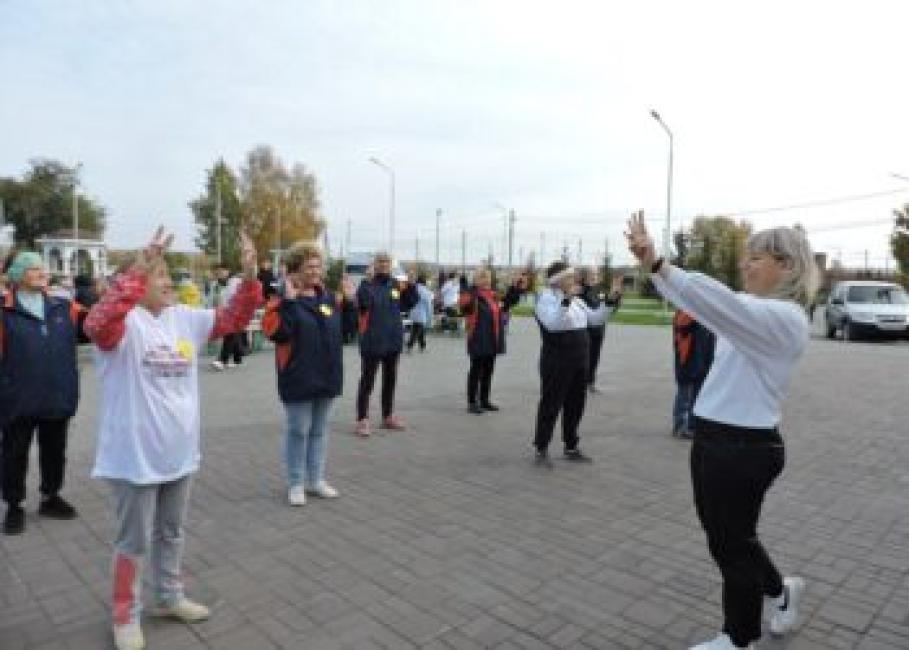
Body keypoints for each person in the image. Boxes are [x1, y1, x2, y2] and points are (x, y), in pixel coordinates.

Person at [626, 211, 814, 650]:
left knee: (730, 546)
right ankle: (782, 591)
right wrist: (654, 267)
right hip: (715, 441)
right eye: (745, 257)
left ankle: (738, 638)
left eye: (757, 258)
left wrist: (658, 264)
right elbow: (704, 303)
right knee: (731, 540)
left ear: (786, 266)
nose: (745, 264)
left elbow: (717, 301)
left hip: (743, 448)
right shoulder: (748, 315)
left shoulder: (784, 318)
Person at [84, 227, 261, 650]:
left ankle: (168, 597)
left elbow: (234, 318)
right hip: (134, 456)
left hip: (179, 452)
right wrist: (139, 265)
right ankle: (125, 615)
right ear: (134, 285)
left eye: (168, 275)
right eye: (157, 275)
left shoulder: (186, 318)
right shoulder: (122, 326)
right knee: (135, 539)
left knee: (172, 531)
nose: (168, 283)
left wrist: (251, 274)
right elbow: (96, 322)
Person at [263, 243, 356, 506]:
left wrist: (349, 303)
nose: (315, 271)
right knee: (298, 430)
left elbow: (347, 333)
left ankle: (315, 480)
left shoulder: (327, 298)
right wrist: (290, 302)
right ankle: (295, 483)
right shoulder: (280, 302)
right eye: (309, 267)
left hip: (327, 376)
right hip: (298, 376)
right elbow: (278, 334)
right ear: (294, 271)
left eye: (318, 266)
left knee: (319, 430)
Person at [0, 251, 86, 535]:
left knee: (54, 451)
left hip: (57, 395)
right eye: (32, 268)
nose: (41, 272)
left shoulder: (65, 307)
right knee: (14, 454)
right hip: (17, 399)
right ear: (17, 275)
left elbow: (96, 325)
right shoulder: (4, 310)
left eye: (42, 268)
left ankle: (50, 497)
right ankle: (15, 505)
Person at [532, 261, 608, 467]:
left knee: (576, 404)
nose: (574, 280)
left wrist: (610, 302)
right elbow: (554, 324)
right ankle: (541, 447)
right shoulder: (545, 299)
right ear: (557, 281)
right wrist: (566, 300)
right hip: (557, 359)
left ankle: (571, 445)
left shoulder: (577, 301)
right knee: (551, 403)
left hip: (579, 359)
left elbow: (596, 320)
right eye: (569, 277)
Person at [354, 252, 418, 436]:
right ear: (374, 265)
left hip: (392, 340)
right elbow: (363, 304)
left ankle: (388, 416)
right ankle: (362, 419)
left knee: (390, 381)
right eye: (380, 262)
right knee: (367, 381)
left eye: (387, 262)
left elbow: (409, 304)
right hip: (372, 340)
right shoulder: (367, 285)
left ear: (391, 265)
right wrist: (365, 282)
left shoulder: (396, 285)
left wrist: (412, 285)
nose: (383, 265)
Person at [458, 267, 522, 414]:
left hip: (492, 337)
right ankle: (472, 402)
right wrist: (465, 289)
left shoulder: (492, 295)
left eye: (487, 277)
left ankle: (485, 400)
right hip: (478, 337)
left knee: (488, 370)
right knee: (476, 370)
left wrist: (515, 287)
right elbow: (464, 308)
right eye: (482, 277)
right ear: (475, 280)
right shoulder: (472, 294)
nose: (486, 280)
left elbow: (508, 303)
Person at [577, 268, 624, 392]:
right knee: (584, 358)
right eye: (591, 274)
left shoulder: (599, 291)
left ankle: (590, 382)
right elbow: (591, 312)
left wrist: (616, 296)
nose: (594, 277)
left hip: (599, 330)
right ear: (584, 277)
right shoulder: (580, 292)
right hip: (585, 331)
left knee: (594, 357)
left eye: (596, 274)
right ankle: (580, 382)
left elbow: (609, 309)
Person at [672, 309, 715, 439]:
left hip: (701, 360)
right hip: (688, 360)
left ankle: (692, 425)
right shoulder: (688, 310)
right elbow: (683, 327)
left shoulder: (704, 312)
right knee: (685, 394)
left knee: (697, 395)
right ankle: (680, 426)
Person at [209, 267, 244, 370]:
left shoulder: (234, 281)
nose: (220, 274)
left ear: (228, 271)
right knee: (233, 334)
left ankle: (222, 360)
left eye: (221, 272)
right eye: (218, 273)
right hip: (230, 311)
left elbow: (234, 296)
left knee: (229, 334)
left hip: (235, 311)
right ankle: (238, 359)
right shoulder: (225, 283)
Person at [406, 274, 433, 352]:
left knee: (419, 330)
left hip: (413, 312)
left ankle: (422, 346)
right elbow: (428, 305)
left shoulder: (414, 288)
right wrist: (429, 316)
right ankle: (409, 346)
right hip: (422, 314)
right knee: (416, 331)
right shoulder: (426, 291)